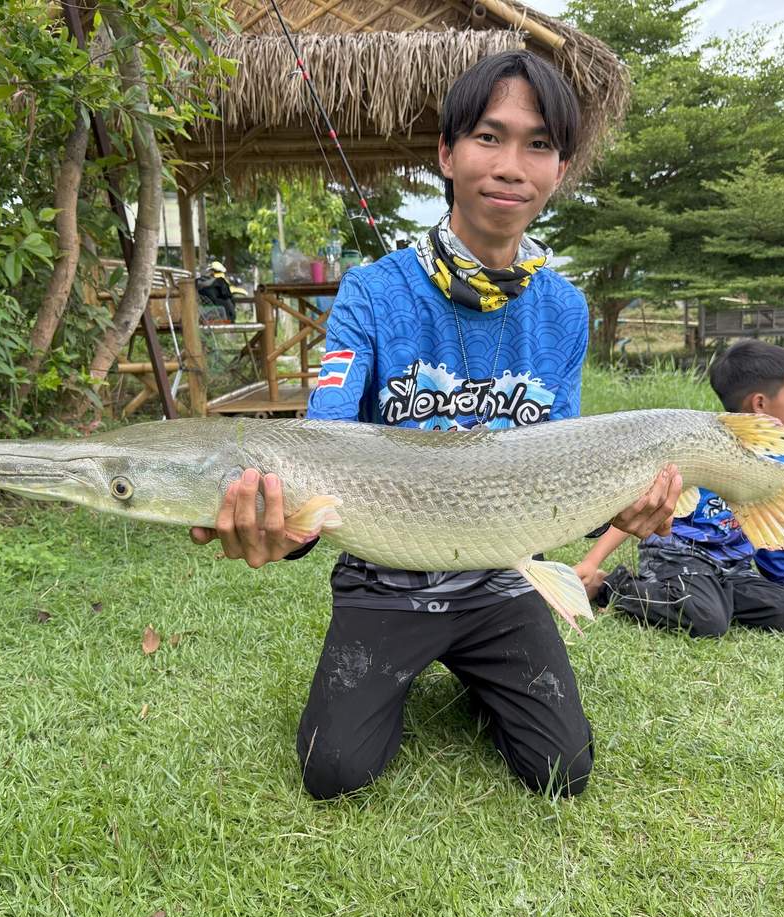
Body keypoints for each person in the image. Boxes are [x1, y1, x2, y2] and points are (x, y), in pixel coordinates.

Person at [192, 51, 682, 799]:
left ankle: (484, 675)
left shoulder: (563, 309)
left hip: (503, 580)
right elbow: (319, 448)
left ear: (559, 169)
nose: (511, 165)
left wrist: (623, 508)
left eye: (538, 144)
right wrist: (281, 525)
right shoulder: (370, 291)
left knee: (562, 771)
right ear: (446, 153)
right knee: (335, 771)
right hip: (382, 583)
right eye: (489, 137)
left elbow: (562, 459)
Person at [575, 339, 784, 639]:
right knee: (708, 621)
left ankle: (708, 598)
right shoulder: (705, 448)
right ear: (760, 403)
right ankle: (611, 587)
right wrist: (591, 563)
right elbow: (647, 507)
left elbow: (777, 532)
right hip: (681, 557)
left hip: (732, 568)